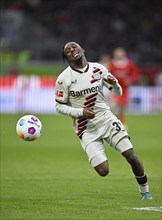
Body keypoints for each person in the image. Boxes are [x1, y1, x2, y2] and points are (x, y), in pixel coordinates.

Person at [55, 42, 152, 200]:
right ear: (66, 58)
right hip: (86, 128)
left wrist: (115, 84)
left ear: (83, 49)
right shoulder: (63, 79)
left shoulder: (98, 68)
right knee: (103, 171)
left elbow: (118, 92)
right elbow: (59, 106)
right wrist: (81, 112)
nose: (72, 50)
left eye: (74, 47)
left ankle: (145, 190)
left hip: (107, 120)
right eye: (68, 51)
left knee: (131, 155)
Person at [108, 47, 140, 126]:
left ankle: (120, 123)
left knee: (121, 107)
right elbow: (108, 74)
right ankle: (116, 123)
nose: (119, 55)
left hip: (124, 88)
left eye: (120, 53)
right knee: (116, 105)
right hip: (115, 87)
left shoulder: (128, 63)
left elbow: (135, 73)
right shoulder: (112, 63)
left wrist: (130, 79)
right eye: (117, 53)